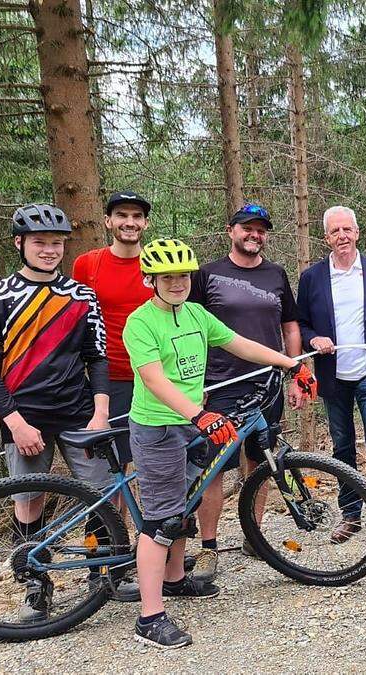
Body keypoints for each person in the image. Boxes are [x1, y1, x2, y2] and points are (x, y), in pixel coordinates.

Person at [124, 238, 317, 648]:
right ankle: (149, 617)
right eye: (168, 277)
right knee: (160, 519)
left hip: (191, 425)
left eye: (183, 276)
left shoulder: (195, 313)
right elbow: (155, 380)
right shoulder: (140, 323)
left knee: (184, 505)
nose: (177, 283)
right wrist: (198, 415)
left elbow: (238, 344)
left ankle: (175, 580)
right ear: (151, 280)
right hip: (159, 428)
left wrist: (291, 363)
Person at [0, 203, 137, 620]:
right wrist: (15, 421)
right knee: (28, 498)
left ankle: (103, 573)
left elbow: (96, 356)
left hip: (78, 410)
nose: (49, 250)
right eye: (40, 242)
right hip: (23, 413)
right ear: (19, 243)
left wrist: (100, 412)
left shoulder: (80, 295)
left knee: (101, 496)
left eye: (56, 243)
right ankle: (35, 585)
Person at [185, 203, 304, 581]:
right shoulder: (207, 275)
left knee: (261, 461)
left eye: (261, 230)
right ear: (230, 230)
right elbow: (191, 328)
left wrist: (297, 369)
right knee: (215, 468)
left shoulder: (276, 274)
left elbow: (290, 325)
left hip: (267, 385)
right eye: (246, 228)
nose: (254, 235)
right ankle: (208, 547)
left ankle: (254, 535)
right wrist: (196, 384)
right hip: (221, 385)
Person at [298, 206, 366, 546]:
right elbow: (301, 324)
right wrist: (313, 338)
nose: (342, 236)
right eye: (335, 231)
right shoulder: (312, 277)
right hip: (333, 376)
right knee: (342, 447)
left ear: (357, 233)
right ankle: (352, 515)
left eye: (347, 229)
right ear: (326, 238)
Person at [72, 192, 153, 472]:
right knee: (113, 467)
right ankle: (117, 519)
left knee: (157, 462)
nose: (129, 222)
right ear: (108, 221)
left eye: (137, 216)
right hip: (109, 380)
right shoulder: (87, 264)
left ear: (146, 224)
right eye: (122, 215)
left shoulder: (160, 265)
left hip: (155, 377)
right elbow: (77, 320)